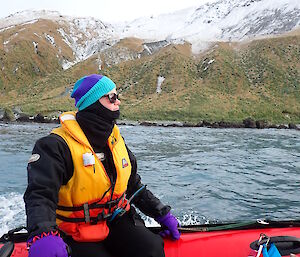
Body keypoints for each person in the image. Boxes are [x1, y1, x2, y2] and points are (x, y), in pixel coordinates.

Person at [24, 74, 180, 257]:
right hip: (75, 230)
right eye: (112, 97)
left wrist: (161, 213)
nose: (118, 102)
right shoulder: (55, 146)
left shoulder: (115, 140)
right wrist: (43, 233)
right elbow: (40, 195)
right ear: (93, 102)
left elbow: (132, 185)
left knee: (151, 249)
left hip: (116, 219)